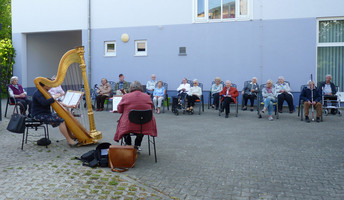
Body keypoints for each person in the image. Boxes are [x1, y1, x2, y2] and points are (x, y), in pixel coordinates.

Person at [32, 81, 78, 146]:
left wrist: (68, 106)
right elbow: (44, 103)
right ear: (45, 85)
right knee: (61, 121)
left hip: (46, 114)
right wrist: (54, 97)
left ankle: (71, 136)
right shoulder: (38, 93)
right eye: (49, 84)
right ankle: (69, 140)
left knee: (65, 117)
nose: (51, 86)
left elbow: (55, 102)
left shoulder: (46, 93)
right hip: (38, 115)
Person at [114, 81, 157, 150]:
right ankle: (137, 145)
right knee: (141, 123)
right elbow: (151, 109)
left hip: (129, 125)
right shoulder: (147, 97)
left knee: (123, 122)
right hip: (145, 125)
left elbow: (119, 110)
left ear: (131, 88)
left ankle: (128, 144)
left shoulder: (126, 96)